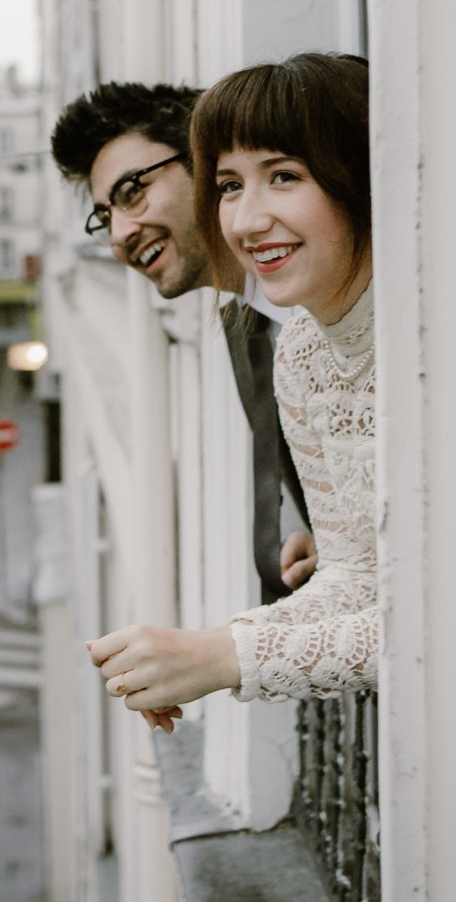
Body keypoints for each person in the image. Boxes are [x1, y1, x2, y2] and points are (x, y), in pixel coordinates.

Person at [83, 54, 375, 729]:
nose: (245, 220)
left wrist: (224, 656)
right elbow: (358, 575)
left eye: (283, 176)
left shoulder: (437, 339)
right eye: (231, 186)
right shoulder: (297, 346)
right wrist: (204, 650)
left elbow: (444, 605)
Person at [49, 83, 317, 598]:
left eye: (132, 192)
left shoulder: (328, 294)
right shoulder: (247, 331)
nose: (119, 234)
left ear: (204, 157)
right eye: (105, 215)